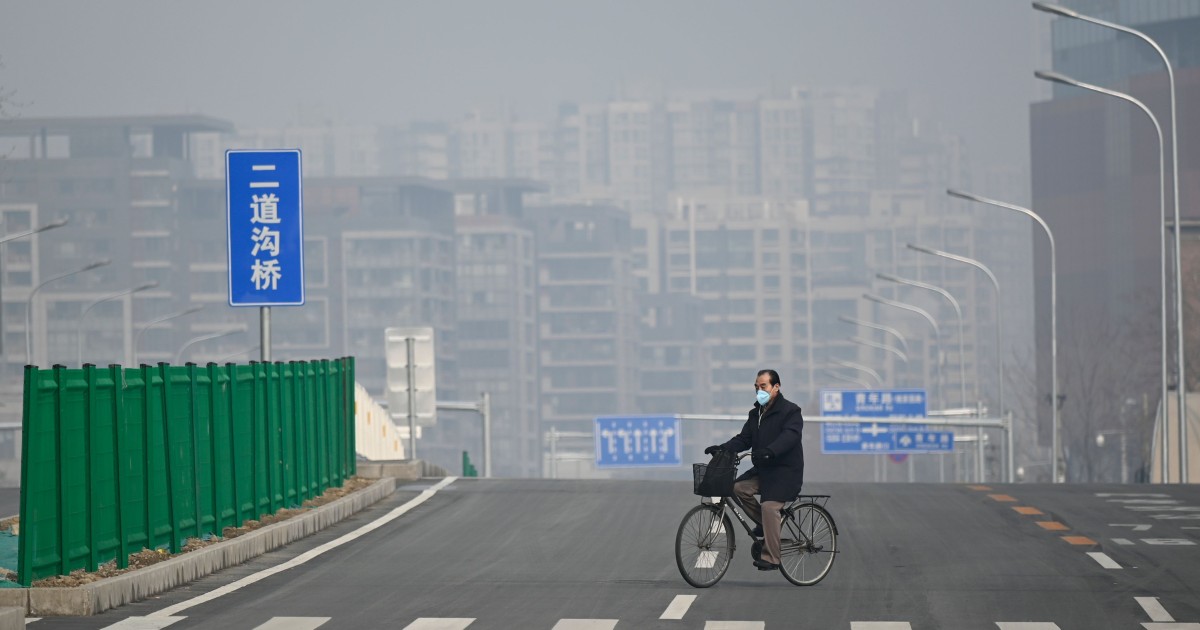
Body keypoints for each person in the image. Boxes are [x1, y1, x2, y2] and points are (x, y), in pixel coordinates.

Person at [704, 369, 804, 571]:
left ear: (776, 387)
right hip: (763, 471)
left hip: (785, 472)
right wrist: (722, 448)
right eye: (756, 387)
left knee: (769, 507)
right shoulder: (756, 413)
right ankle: (766, 525)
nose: (759, 390)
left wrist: (770, 451)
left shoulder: (790, 411)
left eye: (763, 386)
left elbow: (790, 437)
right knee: (737, 488)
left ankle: (772, 558)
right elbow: (744, 439)